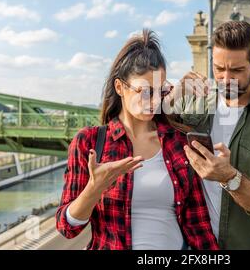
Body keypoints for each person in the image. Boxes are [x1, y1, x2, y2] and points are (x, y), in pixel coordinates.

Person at [56, 30, 218, 250]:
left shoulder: (179, 142)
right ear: (120, 87)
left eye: (161, 91)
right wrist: (94, 189)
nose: (154, 101)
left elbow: (198, 225)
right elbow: (67, 227)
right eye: (145, 92)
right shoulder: (89, 142)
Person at [166, 21, 250, 249]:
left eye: (236, 70)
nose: (226, 79)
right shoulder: (195, 103)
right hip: (188, 244)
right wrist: (173, 97)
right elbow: (142, 128)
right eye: (218, 69)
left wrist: (229, 178)